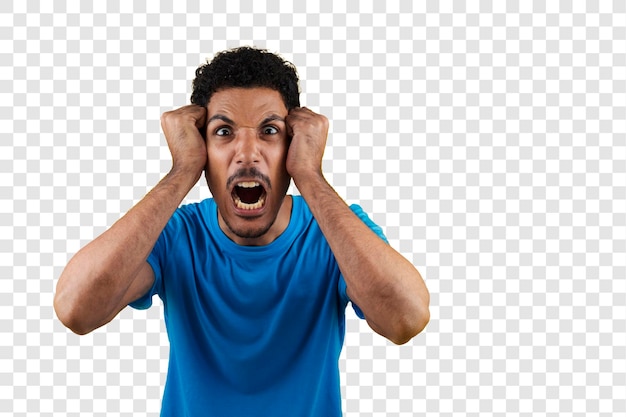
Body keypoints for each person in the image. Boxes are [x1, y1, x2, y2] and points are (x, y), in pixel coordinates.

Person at [54, 46, 430, 417]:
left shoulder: (335, 233)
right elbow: (76, 309)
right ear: (202, 146)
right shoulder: (176, 235)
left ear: (293, 144)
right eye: (223, 132)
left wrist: (311, 177)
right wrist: (182, 172)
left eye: (269, 130)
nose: (247, 154)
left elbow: (406, 319)